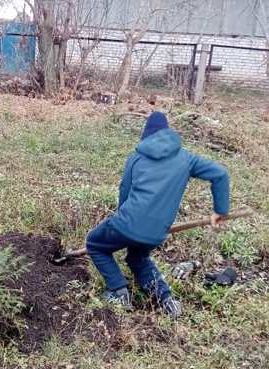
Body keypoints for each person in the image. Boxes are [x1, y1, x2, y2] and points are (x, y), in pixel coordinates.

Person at [86, 112, 230, 318]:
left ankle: (118, 291)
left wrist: (123, 223)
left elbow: (124, 190)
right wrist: (221, 211)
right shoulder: (187, 159)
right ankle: (167, 301)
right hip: (157, 232)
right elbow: (220, 174)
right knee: (138, 258)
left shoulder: (137, 156)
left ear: (146, 135)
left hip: (127, 222)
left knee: (95, 244)